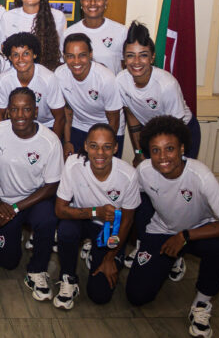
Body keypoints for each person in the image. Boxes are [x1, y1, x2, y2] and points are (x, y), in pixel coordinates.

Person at [125, 116, 219, 338]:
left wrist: (186, 235)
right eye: (155, 151)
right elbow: (134, 205)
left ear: (182, 148)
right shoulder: (145, 171)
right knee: (137, 296)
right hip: (162, 231)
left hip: (198, 232)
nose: (163, 157)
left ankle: (202, 303)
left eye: (169, 149)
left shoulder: (200, 174)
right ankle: (172, 259)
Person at [53, 124, 140, 310]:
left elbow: (127, 221)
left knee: (99, 295)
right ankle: (68, 278)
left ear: (115, 148)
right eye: (93, 146)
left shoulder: (129, 175)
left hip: (110, 230)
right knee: (66, 229)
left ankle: (100, 255)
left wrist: (109, 258)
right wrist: (96, 211)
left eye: (107, 147)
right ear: (85, 146)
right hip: (83, 220)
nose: (100, 153)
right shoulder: (73, 164)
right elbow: (60, 210)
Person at [0, 87, 63, 301]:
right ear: (8, 112)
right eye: (15, 109)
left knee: (48, 218)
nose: (20, 115)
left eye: (26, 109)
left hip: (32, 201)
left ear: (36, 111)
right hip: (2, 201)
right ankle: (15, 235)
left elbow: (51, 186)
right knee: (8, 263)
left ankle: (37, 270)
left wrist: (15, 208)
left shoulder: (49, 141)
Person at [116, 22, 200, 165]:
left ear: (152, 57)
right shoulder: (120, 81)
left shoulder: (167, 85)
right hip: (149, 133)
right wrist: (138, 152)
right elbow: (131, 115)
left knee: (175, 178)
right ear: (124, 59)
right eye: (130, 55)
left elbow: (176, 128)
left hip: (181, 131)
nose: (136, 62)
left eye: (143, 55)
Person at [54, 33, 124, 158]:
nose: (76, 61)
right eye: (70, 56)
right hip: (79, 125)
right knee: (75, 169)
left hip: (108, 127)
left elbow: (114, 119)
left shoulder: (105, 78)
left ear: (90, 54)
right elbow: (67, 111)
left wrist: (105, 145)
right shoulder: (60, 75)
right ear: (64, 56)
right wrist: (68, 141)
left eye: (82, 55)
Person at [0, 32, 66, 144]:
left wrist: (54, 143)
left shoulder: (48, 78)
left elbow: (60, 117)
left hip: (46, 126)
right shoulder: (4, 80)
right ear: (10, 57)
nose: (21, 59)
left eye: (26, 53)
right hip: (17, 125)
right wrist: (4, 139)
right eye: (16, 55)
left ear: (34, 55)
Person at [0, 0, 66, 70]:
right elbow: (2, 50)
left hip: (47, 71)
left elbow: (62, 51)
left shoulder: (57, 16)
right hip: (15, 72)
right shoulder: (8, 17)